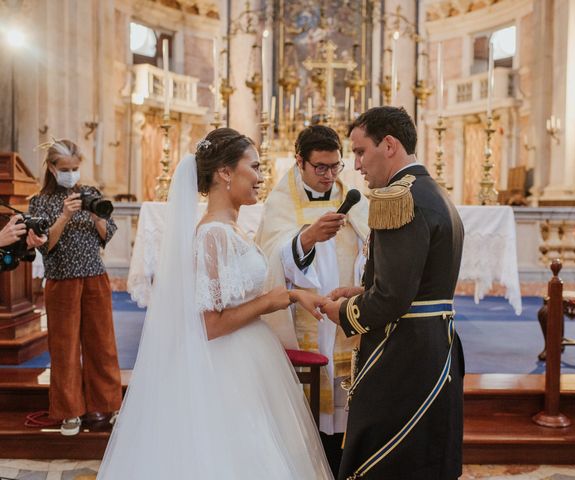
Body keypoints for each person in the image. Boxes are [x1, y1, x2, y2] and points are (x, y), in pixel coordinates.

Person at [98, 128, 333, 479]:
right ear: (225, 172)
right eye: (253, 167)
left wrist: (295, 294)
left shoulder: (232, 228)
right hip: (226, 363)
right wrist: (270, 302)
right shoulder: (212, 235)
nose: (260, 176)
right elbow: (212, 324)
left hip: (250, 356)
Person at [321, 107, 465, 480]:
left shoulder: (398, 198)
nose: (356, 164)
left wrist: (342, 310)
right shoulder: (435, 193)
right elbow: (417, 283)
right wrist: (364, 289)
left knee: (387, 459)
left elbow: (392, 300)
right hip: (436, 342)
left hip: (402, 350)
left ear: (388, 145)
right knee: (424, 455)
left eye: (360, 151)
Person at [255, 125, 369, 474]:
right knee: (309, 419)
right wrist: (306, 239)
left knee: (344, 411)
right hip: (305, 319)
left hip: (346, 317)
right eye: (320, 167)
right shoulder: (280, 201)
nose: (328, 175)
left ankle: (341, 463)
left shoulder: (353, 197)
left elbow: (370, 247)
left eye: (335, 166)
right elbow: (270, 257)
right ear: (299, 162)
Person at [28, 139, 121, 436]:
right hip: (61, 281)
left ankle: (106, 405)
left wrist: (97, 218)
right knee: (64, 349)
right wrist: (65, 216)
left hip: (94, 276)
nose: (71, 173)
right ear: (52, 169)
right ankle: (69, 412)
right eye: (65, 169)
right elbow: (46, 245)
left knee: (102, 345)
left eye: (76, 168)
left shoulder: (91, 194)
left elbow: (107, 236)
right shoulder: (39, 202)